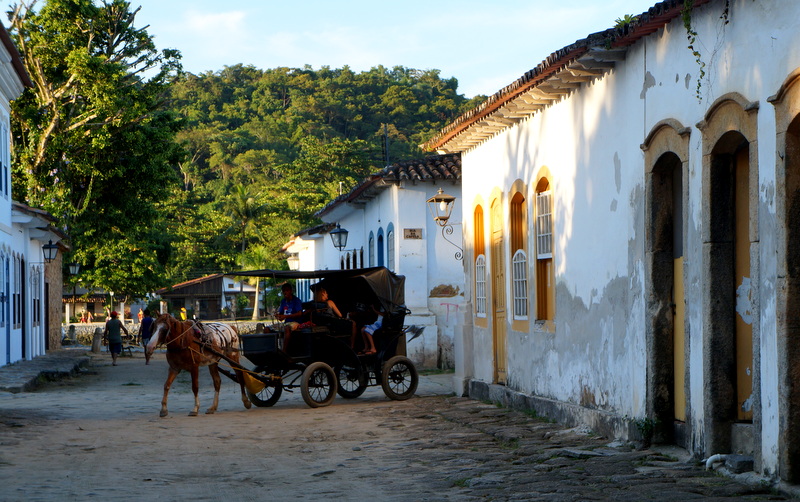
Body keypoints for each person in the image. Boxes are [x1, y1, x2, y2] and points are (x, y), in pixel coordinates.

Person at [275, 283, 304, 352]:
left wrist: (286, 316)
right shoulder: (283, 301)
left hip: (296, 323)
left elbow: (300, 313)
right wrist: (278, 315)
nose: (285, 292)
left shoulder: (296, 301)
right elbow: (281, 313)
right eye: (284, 291)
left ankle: (284, 351)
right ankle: (273, 350)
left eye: (287, 290)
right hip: (286, 323)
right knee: (267, 329)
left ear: (291, 291)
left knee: (287, 328)